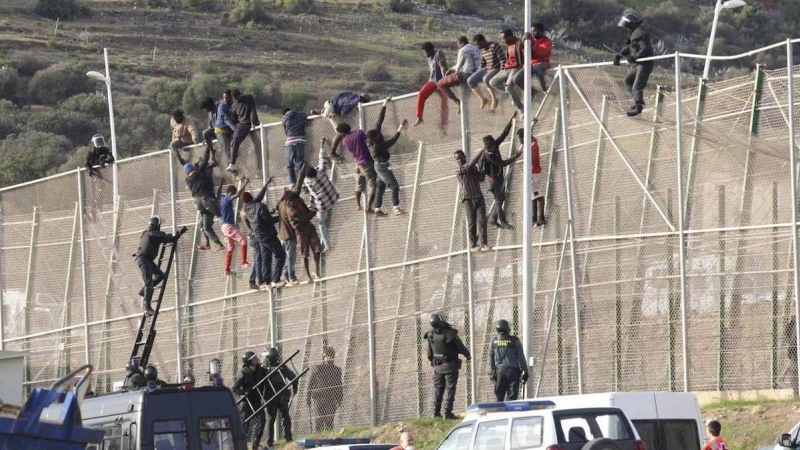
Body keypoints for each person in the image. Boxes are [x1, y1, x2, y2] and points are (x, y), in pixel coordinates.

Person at [173, 145, 225, 251]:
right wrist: (208, 146)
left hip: (197, 204)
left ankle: (217, 244)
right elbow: (205, 159)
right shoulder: (200, 172)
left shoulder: (187, 179)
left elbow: (202, 165)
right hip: (206, 200)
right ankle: (230, 233)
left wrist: (200, 164)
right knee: (222, 215)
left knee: (205, 226)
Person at [424, 313, 471, 419]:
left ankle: (436, 412)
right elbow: (460, 347)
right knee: (450, 389)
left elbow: (429, 353)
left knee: (438, 389)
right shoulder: (450, 333)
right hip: (450, 366)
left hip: (437, 367)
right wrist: (468, 355)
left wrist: (432, 360)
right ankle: (448, 412)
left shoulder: (431, 334)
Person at [241, 181, 286, 288]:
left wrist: (265, 185)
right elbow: (269, 221)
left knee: (266, 258)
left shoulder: (245, 210)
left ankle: (267, 281)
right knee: (280, 255)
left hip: (259, 237)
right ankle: (276, 280)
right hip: (268, 235)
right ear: (251, 198)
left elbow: (259, 196)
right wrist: (280, 218)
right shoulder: (260, 207)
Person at [135, 216, 183, 315]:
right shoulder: (154, 234)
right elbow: (170, 239)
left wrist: (167, 237)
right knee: (149, 283)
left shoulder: (146, 233)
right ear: (157, 225)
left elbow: (163, 238)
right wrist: (179, 234)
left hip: (147, 260)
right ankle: (146, 307)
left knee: (160, 276)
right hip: (144, 260)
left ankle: (143, 291)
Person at [299, 139, 339, 253]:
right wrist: (321, 145)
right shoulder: (321, 171)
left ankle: (327, 244)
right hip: (333, 198)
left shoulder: (308, 182)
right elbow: (322, 159)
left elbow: (303, 185)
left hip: (322, 206)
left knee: (321, 223)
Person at [482, 113, 521, 229]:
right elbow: (501, 163)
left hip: (499, 177)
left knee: (501, 199)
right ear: (487, 148)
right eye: (491, 147)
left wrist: (511, 120)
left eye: (494, 145)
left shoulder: (494, 145)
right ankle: (503, 222)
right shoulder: (489, 155)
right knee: (499, 200)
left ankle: (493, 219)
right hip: (493, 181)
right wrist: (515, 157)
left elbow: (504, 134)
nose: (494, 148)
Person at [330, 123, 377, 213]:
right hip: (366, 162)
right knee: (373, 185)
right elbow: (368, 142)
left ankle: (358, 205)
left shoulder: (344, 141)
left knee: (359, 184)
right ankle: (369, 207)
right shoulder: (359, 132)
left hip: (357, 163)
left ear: (342, 132)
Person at [366, 114, 408, 217]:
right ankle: (396, 208)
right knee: (394, 186)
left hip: (378, 166)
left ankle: (377, 209)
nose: (379, 136)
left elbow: (379, 122)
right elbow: (393, 140)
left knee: (380, 186)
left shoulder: (371, 145)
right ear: (375, 137)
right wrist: (400, 127)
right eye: (377, 135)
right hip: (382, 167)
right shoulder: (379, 146)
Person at [613, 13, 654, 117]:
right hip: (639, 64)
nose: (626, 29)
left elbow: (646, 49)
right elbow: (628, 47)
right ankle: (637, 101)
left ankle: (638, 107)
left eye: (627, 27)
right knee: (628, 80)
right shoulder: (635, 33)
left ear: (631, 25)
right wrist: (618, 56)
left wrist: (634, 57)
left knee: (637, 86)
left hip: (645, 64)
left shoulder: (640, 33)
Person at [455, 148, 488, 252]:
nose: (459, 161)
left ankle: (484, 244)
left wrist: (482, 168)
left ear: (464, 157)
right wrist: (483, 150)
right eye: (457, 160)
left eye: (460, 158)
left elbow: (481, 178)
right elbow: (470, 165)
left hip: (478, 196)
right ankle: (474, 245)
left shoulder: (472, 168)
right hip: (468, 199)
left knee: (482, 220)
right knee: (471, 222)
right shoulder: (459, 171)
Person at [262, 348, 297, 447]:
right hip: (282, 395)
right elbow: (294, 378)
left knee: (270, 419)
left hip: (269, 396)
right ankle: (288, 438)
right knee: (285, 416)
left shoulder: (264, 368)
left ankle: (270, 442)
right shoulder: (282, 366)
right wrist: (295, 388)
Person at [232, 351, 267, 449]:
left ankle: (256, 443)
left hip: (257, 401)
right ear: (248, 361)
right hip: (246, 402)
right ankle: (241, 445)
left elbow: (267, 374)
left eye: (255, 358)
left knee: (262, 420)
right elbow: (235, 388)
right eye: (253, 359)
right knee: (245, 425)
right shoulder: (243, 372)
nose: (256, 360)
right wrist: (243, 393)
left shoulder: (260, 370)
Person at [286, 190, 324, 281]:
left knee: (317, 249)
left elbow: (307, 212)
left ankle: (316, 272)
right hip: (301, 233)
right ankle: (308, 276)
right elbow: (307, 217)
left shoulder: (299, 200)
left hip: (309, 227)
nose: (298, 202)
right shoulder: (291, 211)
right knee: (305, 255)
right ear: (290, 202)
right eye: (295, 201)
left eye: (298, 200)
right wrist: (316, 209)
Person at [489, 319, 529, 401]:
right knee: (512, 397)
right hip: (513, 372)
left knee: (499, 397)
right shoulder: (515, 341)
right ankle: (511, 413)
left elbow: (490, 357)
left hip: (499, 372)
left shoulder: (494, 342)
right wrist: (525, 371)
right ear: (507, 328)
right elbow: (521, 357)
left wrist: (492, 370)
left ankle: (499, 412)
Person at [217, 178, 250, 275]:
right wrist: (245, 183)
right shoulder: (227, 198)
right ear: (231, 192)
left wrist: (221, 183)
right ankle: (243, 262)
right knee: (243, 240)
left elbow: (218, 193)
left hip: (224, 227)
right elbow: (237, 194)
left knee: (231, 247)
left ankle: (227, 269)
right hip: (228, 226)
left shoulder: (221, 198)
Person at [306, 346, 343, 432]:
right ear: (324, 357)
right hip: (319, 398)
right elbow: (310, 384)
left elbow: (339, 385)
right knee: (319, 419)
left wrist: (340, 398)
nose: (329, 358)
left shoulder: (336, 370)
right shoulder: (318, 368)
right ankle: (318, 437)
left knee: (329, 419)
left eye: (331, 356)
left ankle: (329, 436)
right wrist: (307, 397)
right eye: (327, 356)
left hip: (331, 398)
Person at [436, 36, 481, 106]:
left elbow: (458, 66)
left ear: (461, 43)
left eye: (458, 45)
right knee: (455, 79)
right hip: (476, 74)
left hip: (466, 74)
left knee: (440, 83)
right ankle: (463, 99)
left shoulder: (462, 50)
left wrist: (450, 71)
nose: (458, 47)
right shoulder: (476, 49)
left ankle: (457, 101)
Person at [414, 42, 449, 129]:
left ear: (429, 50)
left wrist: (444, 80)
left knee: (443, 104)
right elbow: (432, 71)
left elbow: (442, 67)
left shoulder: (439, 54)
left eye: (425, 52)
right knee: (421, 94)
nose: (424, 54)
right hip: (433, 81)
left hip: (441, 81)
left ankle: (443, 126)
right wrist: (429, 82)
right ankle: (420, 117)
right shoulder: (429, 58)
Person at [468, 34, 506, 111]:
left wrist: (502, 70)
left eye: (478, 44)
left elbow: (502, 58)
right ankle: (483, 99)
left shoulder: (495, 45)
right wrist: (478, 73)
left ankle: (494, 99)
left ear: (482, 41)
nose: (477, 47)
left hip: (496, 68)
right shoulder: (482, 50)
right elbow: (482, 64)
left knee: (486, 78)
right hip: (487, 69)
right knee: (470, 80)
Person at [489, 29, 525, 110]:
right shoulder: (508, 45)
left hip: (516, 68)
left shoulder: (519, 43)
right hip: (507, 68)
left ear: (510, 37)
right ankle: (513, 93)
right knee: (492, 82)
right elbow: (508, 58)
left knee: (508, 88)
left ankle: (521, 108)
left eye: (504, 38)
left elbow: (526, 55)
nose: (502, 41)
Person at [229, 89, 261, 177]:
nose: (236, 99)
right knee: (243, 148)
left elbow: (252, 110)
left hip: (252, 126)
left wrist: (253, 122)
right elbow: (234, 119)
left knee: (259, 145)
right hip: (242, 127)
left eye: (237, 97)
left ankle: (260, 169)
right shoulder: (234, 106)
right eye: (234, 98)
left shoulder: (249, 98)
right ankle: (242, 170)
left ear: (240, 95)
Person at [518, 23, 552, 95]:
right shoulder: (530, 41)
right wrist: (523, 44)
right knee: (516, 78)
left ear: (541, 31)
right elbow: (526, 54)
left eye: (534, 31)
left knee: (537, 68)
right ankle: (533, 92)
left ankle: (544, 88)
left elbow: (541, 52)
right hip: (531, 64)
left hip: (543, 62)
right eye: (531, 31)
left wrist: (533, 42)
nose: (533, 33)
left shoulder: (547, 41)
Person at [276, 189, 300, 286]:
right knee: (291, 258)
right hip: (289, 235)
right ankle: (292, 277)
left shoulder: (280, 204)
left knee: (289, 257)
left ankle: (285, 274)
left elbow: (277, 205)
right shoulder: (288, 208)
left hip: (282, 235)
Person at [282, 107, 309, 185]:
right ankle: (303, 183)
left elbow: (286, 132)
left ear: (285, 113)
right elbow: (305, 116)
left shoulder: (284, 118)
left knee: (289, 164)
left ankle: (293, 183)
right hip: (301, 141)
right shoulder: (300, 114)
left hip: (290, 141)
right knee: (299, 162)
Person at [216, 90, 238, 162]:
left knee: (235, 148)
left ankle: (237, 165)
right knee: (227, 148)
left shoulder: (234, 105)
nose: (225, 99)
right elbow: (226, 119)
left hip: (229, 131)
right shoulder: (222, 106)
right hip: (220, 130)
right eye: (224, 97)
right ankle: (232, 168)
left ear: (231, 97)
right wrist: (236, 129)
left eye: (227, 97)